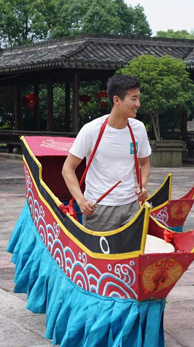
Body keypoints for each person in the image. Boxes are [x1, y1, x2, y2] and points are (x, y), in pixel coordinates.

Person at [62, 74, 151, 232]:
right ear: (116, 100)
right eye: (133, 98)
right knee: (100, 256)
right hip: (100, 209)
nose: (138, 104)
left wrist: (142, 187)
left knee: (131, 255)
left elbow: (144, 162)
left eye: (138, 98)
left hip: (131, 207)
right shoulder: (91, 130)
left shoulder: (138, 129)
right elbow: (68, 168)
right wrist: (81, 201)